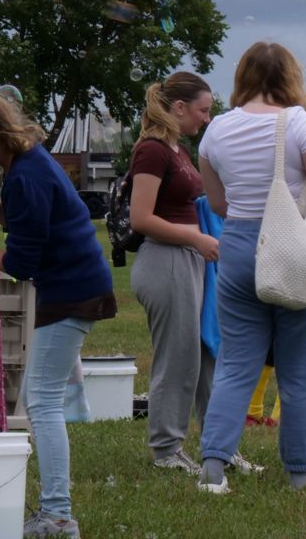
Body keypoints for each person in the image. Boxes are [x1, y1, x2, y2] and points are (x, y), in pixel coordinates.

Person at [0, 86, 118, 539]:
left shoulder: (25, 176)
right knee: (44, 399)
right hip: (76, 286)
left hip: (70, 291)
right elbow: (31, 227)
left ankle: (58, 516)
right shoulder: (31, 163)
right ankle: (55, 513)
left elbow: (22, 263)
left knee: (41, 401)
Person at [195, 42, 306, 493]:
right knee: (301, 370)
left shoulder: (215, 131)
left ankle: (213, 468)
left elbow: (217, 202)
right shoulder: (300, 125)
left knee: (235, 365)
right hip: (295, 248)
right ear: (290, 77)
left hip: (238, 249)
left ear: (243, 76)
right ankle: (298, 473)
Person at [126, 71, 219, 474]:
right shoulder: (152, 151)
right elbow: (141, 217)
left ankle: (219, 444)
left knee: (203, 356)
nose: (207, 119)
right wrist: (196, 240)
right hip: (165, 260)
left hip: (188, 260)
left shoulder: (178, 148)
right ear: (179, 107)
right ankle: (166, 450)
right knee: (178, 359)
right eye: (203, 110)